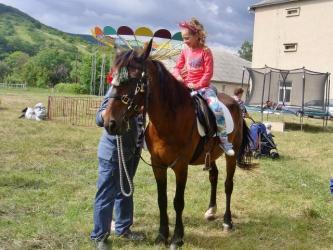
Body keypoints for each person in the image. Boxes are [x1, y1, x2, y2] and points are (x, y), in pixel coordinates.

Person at [90, 85, 144, 249]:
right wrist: (107, 114)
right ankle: (99, 236)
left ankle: (123, 229)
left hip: (132, 149)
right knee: (106, 193)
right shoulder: (117, 90)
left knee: (126, 189)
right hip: (113, 151)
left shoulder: (139, 93)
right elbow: (99, 119)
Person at [173, 17, 234, 156]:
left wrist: (197, 85)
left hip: (203, 88)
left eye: (187, 38)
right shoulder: (185, 50)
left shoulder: (206, 51)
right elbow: (177, 67)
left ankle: (224, 141)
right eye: (183, 38)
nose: (185, 41)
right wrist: (179, 77)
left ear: (197, 35)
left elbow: (208, 73)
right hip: (186, 86)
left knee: (216, 108)